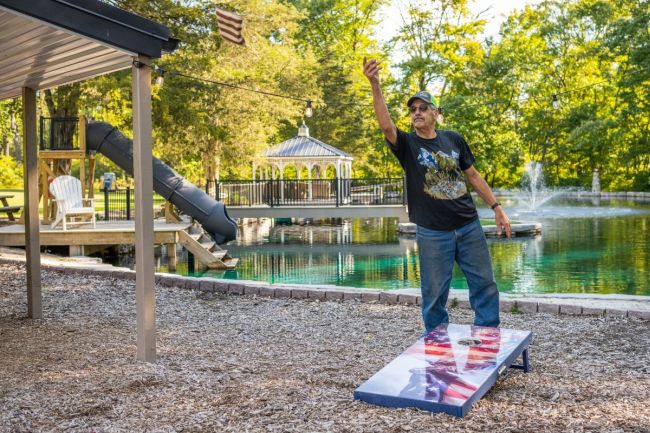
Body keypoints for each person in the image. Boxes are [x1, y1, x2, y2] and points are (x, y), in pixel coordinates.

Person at [362, 57, 511, 332]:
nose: (416, 113)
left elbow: (473, 175)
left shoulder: (453, 139)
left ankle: (488, 337)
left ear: (435, 113)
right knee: (434, 295)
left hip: (468, 226)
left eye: (423, 108)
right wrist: (375, 84)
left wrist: (496, 208)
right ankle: (436, 344)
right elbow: (385, 126)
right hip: (432, 232)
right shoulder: (407, 144)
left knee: (485, 285)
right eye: (413, 110)